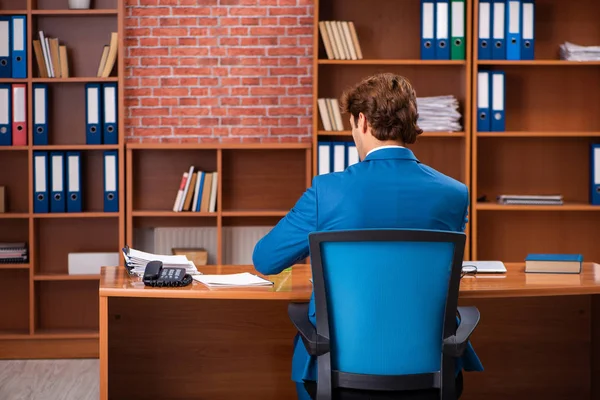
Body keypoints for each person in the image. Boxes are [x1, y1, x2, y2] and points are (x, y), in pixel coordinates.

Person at [252, 72, 483, 399]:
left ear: (361, 121)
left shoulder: (327, 191)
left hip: (335, 373)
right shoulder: (454, 193)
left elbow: (265, 259)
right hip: (432, 371)